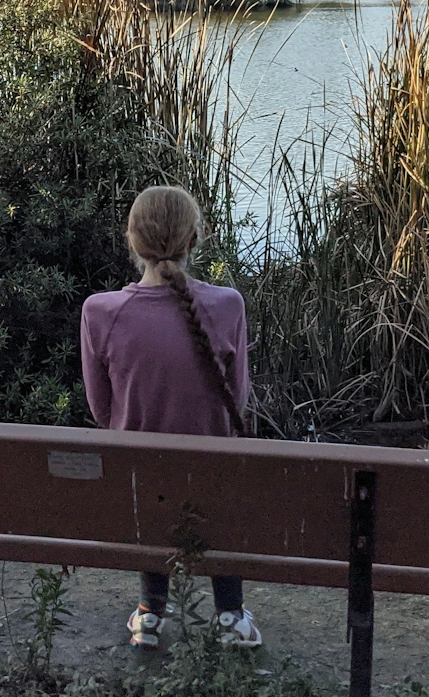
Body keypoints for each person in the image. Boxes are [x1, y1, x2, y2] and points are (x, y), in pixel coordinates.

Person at [79, 184, 261, 651]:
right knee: (219, 475)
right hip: (212, 478)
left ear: (132, 241)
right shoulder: (228, 305)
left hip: (141, 486)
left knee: (148, 471)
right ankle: (230, 616)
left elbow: (103, 413)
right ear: (195, 239)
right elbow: (235, 404)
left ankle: (150, 613)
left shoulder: (100, 312)